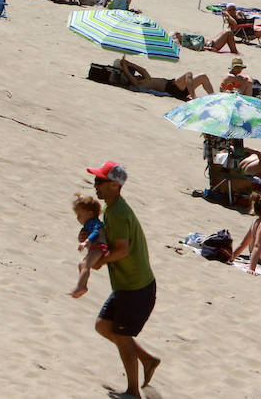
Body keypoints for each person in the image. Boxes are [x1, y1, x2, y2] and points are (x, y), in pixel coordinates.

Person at [75, 162, 159, 399]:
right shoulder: (111, 210)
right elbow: (107, 241)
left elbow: (121, 250)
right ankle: (147, 359)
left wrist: (99, 262)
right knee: (103, 325)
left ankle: (133, 392)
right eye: (95, 181)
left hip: (136, 287)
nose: (95, 186)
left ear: (115, 185)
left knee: (122, 336)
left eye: (100, 181)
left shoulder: (118, 213)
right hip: (127, 285)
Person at [70, 194, 108, 300]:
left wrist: (87, 241)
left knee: (85, 264)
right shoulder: (89, 224)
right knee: (82, 264)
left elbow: (96, 232)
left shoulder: (94, 223)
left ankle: (81, 287)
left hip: (100, 246)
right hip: (96, 247)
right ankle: (81, 285)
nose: (78, 218)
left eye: (79, 215)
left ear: (90, 213)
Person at [119, 59, 212, 99]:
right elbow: (133, 80)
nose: (138, 75)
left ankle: (213, 96)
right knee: (189, 74)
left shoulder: (146, 79)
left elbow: (142, 70)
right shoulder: (140, 84)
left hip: (179, 87)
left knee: (203, 76)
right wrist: (125, 68)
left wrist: (129, 63)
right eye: (135, 75)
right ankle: (194, 96)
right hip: (172, 88)